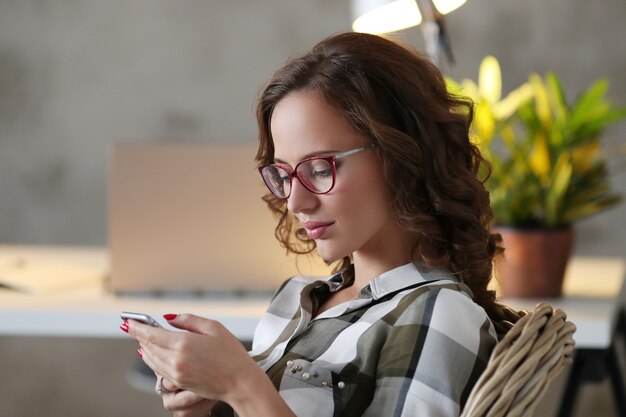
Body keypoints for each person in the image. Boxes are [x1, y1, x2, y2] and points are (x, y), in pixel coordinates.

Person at [122, 31, 504, 417]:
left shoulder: (438, 315)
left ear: (403, 153)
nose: (295, 202)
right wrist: (207, 401)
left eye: (321, 169)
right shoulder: (296, 298)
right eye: (284, 176)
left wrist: (240, 383)